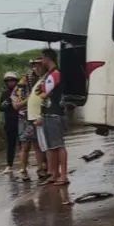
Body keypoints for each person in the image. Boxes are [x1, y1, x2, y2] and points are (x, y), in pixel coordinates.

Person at [33, 48, 69, 186]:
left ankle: (64, 175)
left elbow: (42, 92)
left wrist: (42, 78)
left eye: (42, 59)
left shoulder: (54, 75)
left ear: (47, 59)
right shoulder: (49, 75)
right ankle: (54, 173)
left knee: (59, 145)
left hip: (55, 113)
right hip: (48, 113)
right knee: (51, 146)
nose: (40, 62)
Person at [14, 60, 48, 182]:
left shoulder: (44, 78)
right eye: (34, 65)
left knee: (38, 145)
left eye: (38, 65)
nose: (36, 68)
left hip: (38, 115)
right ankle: (24, 170)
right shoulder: (24, 81)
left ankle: (41, 169)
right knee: (25, 146)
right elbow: (16, 103)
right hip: (25, 117)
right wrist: (28, 100)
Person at [0, 71, 22, 174]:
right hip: (9, 121)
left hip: (20, 120)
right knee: (10, 144)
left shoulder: (21, 92)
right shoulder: (5, 94)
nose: (10, 82)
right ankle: (9, 165)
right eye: (7, 81)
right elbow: (0, 107)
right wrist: (6, 102)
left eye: (12, 80)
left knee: (22, 144)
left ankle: (23, 164)